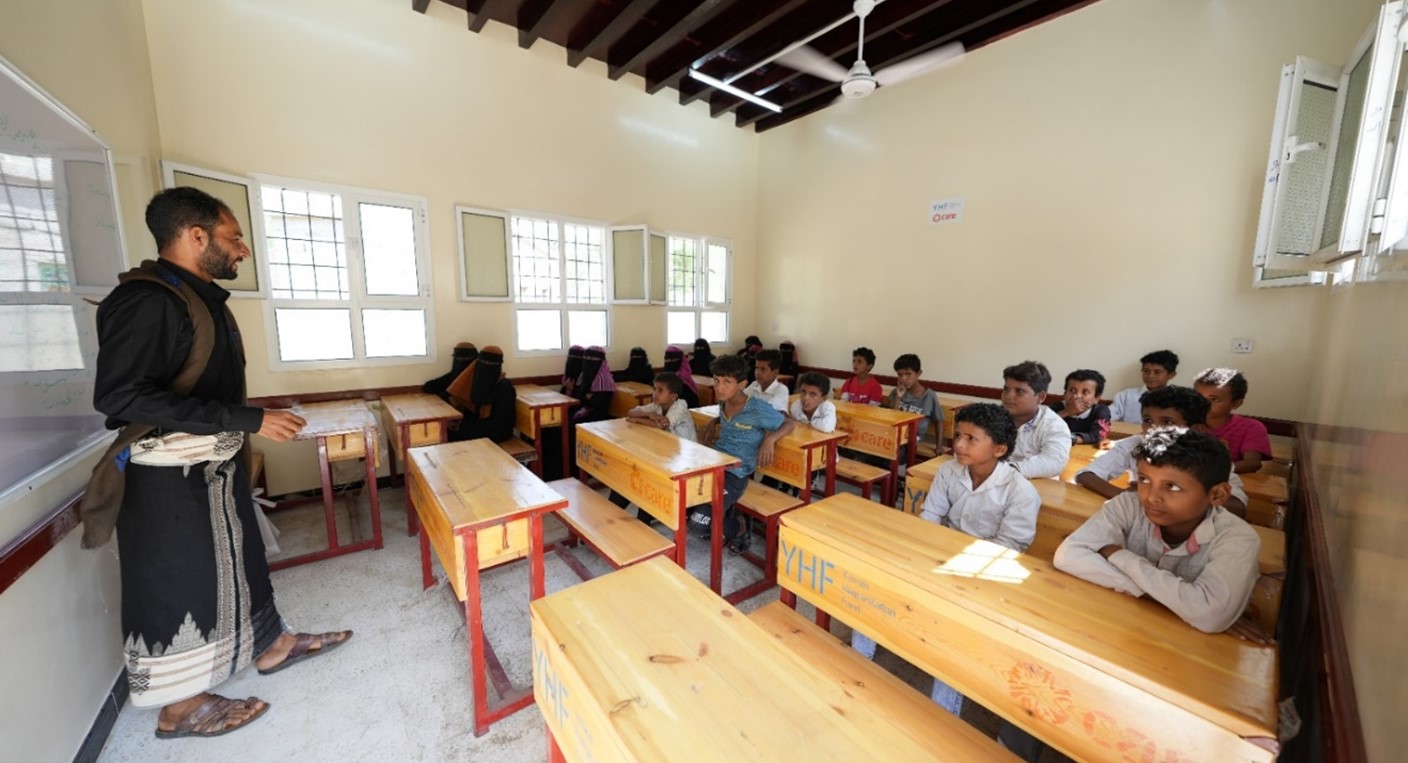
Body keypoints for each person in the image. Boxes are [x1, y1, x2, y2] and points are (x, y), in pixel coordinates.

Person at [85, 187, 349, 739]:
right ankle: (179, 708)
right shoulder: (149, 300)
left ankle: (272, 644)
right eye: (233, 237)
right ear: (195, 235)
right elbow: (122, 397)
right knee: (180, 583)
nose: (242, 250)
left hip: (211, 471)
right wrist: (247, 419)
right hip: (167, 483)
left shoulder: (196, 295)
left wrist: (247, 417)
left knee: (241, 564)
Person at [852, 403, 1038, 716]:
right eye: (957, 436)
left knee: (954, 631)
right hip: (937, 555)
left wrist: (954, 567)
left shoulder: (1020, 491)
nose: (959, 445)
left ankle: (944, 710)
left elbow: (1009, 548)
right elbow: (931, 515)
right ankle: (858, 659)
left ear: (1000, 448)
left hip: (984, 573)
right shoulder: (949, 469)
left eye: (971, 439)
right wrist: (921, 558)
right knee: (880, 579)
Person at [1055, 427, 1264, 637]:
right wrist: (1171, 601)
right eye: (1145, 480)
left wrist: (1118, 556)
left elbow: (1210, 616)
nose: (1151, 497)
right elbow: (1068, 556)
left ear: (1217, 495)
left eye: (1172, 487)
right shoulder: (1129, 504)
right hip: (1129, 627)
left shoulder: (1237, 538)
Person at [1075, 386, 1249, 518]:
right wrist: (1129, 497)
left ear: (1195, 429)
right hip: (1144, 518)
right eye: (1148, 420)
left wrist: (1172, 498)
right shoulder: (1136, 444)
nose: (1154, 428)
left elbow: (1237, 506)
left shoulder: (1211, 455)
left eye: (1167, 422)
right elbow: (1086, 475)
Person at [696, 355, 794, 554]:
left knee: (699, 521)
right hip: (715, 464)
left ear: (742, 384)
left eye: (726, 382)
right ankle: (722, 520)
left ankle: (739, 528)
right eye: (716, 381)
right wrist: (713, 422)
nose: (719, 387)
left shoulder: (757, 409)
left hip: (736, 474)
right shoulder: (724, 402)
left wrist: (769, 439)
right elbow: (729, 418)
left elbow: (789, 423)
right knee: (682, 503)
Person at [614, 372, 696, 522]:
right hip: (667, 453)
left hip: (685, 458)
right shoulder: (656, 406)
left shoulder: (680, 406)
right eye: (654, 389)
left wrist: (638, 420)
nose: (654, 393)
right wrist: (649, 415)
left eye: (660, 390)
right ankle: (615, 509)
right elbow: (630, 412)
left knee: (645, 476)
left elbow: (661, 425)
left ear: (673, 396)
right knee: (633, 471)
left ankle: (645, 518)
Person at [1000, 360, 1072, 479]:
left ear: (1040, 397)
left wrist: (1007, 471)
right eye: (1006, 389)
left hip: (1036, 488)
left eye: (1020, 391)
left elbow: (1054, 462)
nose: (1009, 396)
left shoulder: (1053, 425)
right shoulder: (994, 416)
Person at [1193, 368, 1273, 473]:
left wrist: (1213, 471)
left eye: (1214, 399)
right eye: (1198, 396)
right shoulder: (1185, 422)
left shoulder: (1251, 428)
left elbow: (1252, 463)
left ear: (1236, 404)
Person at [445, 345, 516, 443]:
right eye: (483, 362)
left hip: (499, 431)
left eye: (491, 363)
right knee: (447, 432)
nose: (486, 365)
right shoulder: (477, 382)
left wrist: (464, 427)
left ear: (499, 365)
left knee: (452, 435)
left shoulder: (504, 387)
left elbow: (500, 422)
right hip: (482, 426)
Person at [884, 353, 944, 448]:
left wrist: (939, 446)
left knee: (895, 445)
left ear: (918, 373)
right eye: (900, 375)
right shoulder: (896, 393)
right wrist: (898, 397)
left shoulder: (929, 396)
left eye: (908, 374)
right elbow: (892, 418)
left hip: (914, 438)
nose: (903, 379)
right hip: (894, 435)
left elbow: (939, 420)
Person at [1109, 350, 1178, 424]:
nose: (1150, 376)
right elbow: (1107, 418)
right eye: (1146, 371)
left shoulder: (1178, 399)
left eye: (1157, 372)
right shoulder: (1125, 396)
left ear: (1171, 375)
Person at [1049, 369, 1112, 444]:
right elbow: (1040, 427)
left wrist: (1073, 439)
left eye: (1085, 392)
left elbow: (1099, 435)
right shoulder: (1055, 408)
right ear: (1065, 394)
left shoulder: (1100, 411)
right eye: (1072, 390)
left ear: (1096, 399)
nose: (1077, 396)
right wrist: (1066, 412)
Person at [570, 346, 615, 424]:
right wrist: (585, 396)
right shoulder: (584, 375)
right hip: (584, 408)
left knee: (571, 423)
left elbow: (596, 404)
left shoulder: (604, 379)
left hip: (597, 415)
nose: (588, 360)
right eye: (586, 357)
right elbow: (580, 396)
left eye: (592, 358)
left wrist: (583, 396)